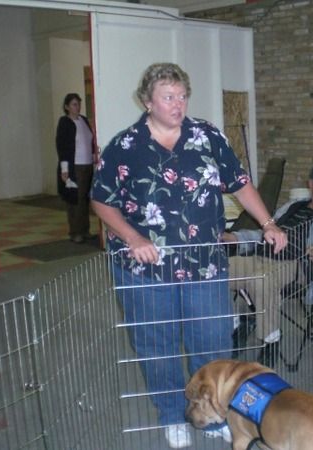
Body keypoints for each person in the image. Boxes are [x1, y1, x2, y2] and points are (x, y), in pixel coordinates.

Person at [90, 63, 286, 449]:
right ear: (147, 102)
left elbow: (239, 183)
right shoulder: (125, 146)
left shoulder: (207, 136)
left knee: (211, 340)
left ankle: (212, 414)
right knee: (156, 343)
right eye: (168, 97)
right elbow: (101, 200)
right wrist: (132, 237)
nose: (178, 104)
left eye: (182, 96)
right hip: (144, 268)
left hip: (204, 263)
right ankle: (170, 413)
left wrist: (268, 223)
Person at [222, 159, 313, 368]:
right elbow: (265, 233)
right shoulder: (292, 206)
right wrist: (235, 237)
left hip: (300, 266)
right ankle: (239, 323)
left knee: (261, 281)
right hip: (262, 256)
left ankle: (271, 340)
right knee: (219, 272)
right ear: (310, 184)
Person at [55, 93, 96, 243]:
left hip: (87, 164)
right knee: (75, 200)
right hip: (75, 166)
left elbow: (90, 141)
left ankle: (85, 230)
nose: (77, 107)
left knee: (85, 199)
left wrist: (94, 156)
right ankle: (75, 232)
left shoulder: (83, 120)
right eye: (74, 104)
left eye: (78, 104)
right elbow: (62, 146)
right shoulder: (65, 122)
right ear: (67, 107)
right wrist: (64, 169)